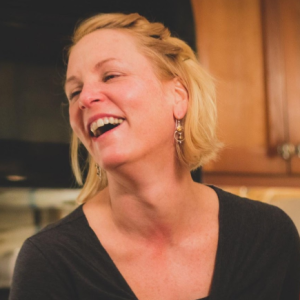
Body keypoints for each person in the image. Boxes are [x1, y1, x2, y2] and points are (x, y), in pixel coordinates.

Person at [9, 13, 300, 300]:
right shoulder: (49, 261)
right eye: (74, 91)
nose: (85, 98)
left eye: (111, 75)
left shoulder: (267, 235)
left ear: (178, 96)